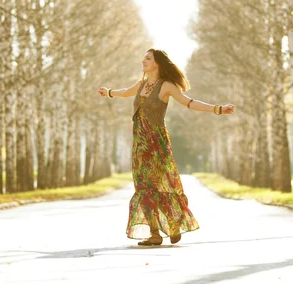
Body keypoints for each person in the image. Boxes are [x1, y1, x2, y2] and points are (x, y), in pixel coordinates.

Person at [98, 48, 235, 246]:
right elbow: (126, 92)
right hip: (140, 145)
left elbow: (189, 103)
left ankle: (173, 223)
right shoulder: (141, 84)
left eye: (147, 58)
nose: (143, 61)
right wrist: (109, 92)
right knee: (144, 188)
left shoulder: (166, 86)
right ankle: (154, 234)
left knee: (160, 185)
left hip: (157, 144)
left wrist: (218, 109)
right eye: (144, 57)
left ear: (158, 64)